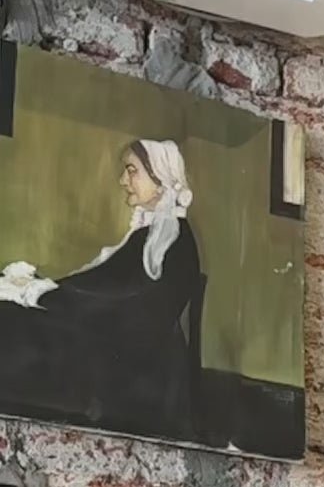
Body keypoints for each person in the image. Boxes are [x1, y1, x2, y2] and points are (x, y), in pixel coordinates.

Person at [0, 138, 203, 442]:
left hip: (142, 367)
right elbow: (101, 283)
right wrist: (39, 286)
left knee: (17, 325)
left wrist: (43, 294)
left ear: (160, 181)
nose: (123, 180)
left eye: (131, 171)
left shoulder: (174, 240)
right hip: (117, 336)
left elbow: (133, 307)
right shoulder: (150, 235)